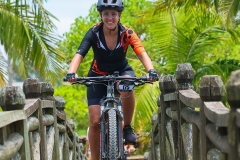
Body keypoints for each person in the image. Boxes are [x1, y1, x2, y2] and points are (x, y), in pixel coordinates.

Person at [66, 0, 158, 159]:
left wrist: (151, 70)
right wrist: (71, 73)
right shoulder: (93, 33)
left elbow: (141, 52)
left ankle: (127, 127)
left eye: (113, 14)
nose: (110, 17)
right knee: (94, 122)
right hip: (97, 75)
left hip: (121, 72)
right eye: (106, 14)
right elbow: (79, 53)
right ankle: (95, 158)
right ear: (101, 15)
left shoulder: (127, 33)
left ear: (119, 15)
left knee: (127, 85)